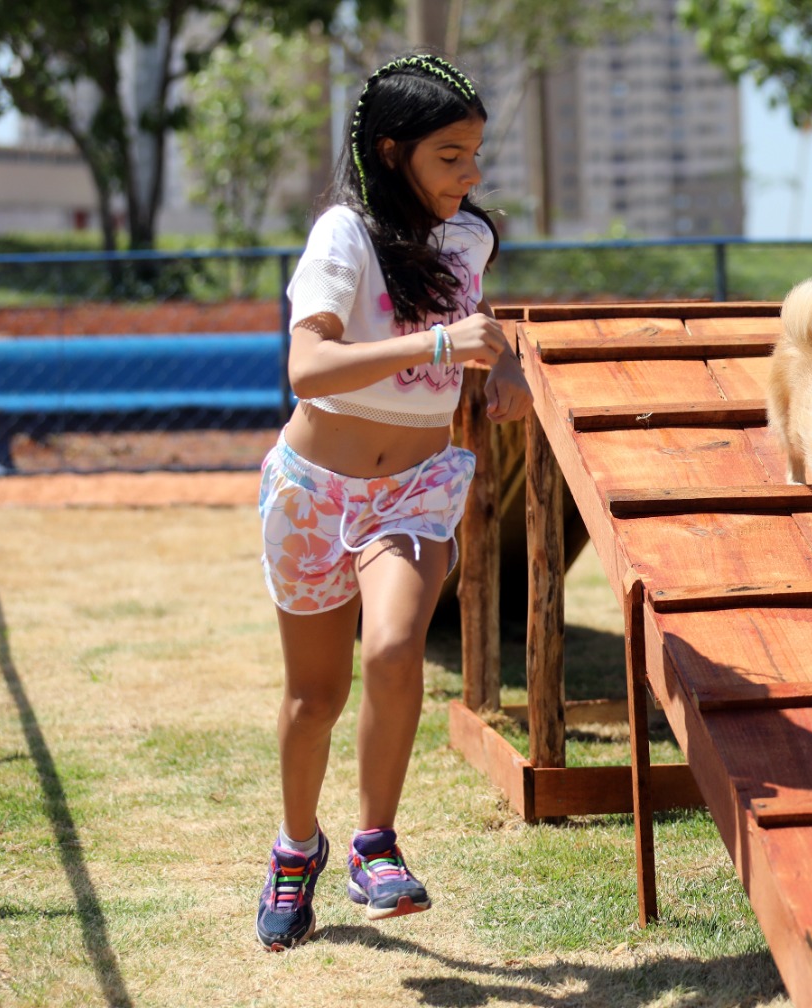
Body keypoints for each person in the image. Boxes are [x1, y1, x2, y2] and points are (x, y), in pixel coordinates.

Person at [253, 52, 530, 951]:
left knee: (395, 645)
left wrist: (505, 365)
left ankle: (375, 844)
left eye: (476, 154)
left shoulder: (468, 239)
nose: (470, 174)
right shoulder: (344, 237)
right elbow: (308, 368)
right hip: (313, 492)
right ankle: (297, 848)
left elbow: (481, 325)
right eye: (450, 156)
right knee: (314, 697)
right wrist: (442, 346)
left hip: (414, 488)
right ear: (390, 151)